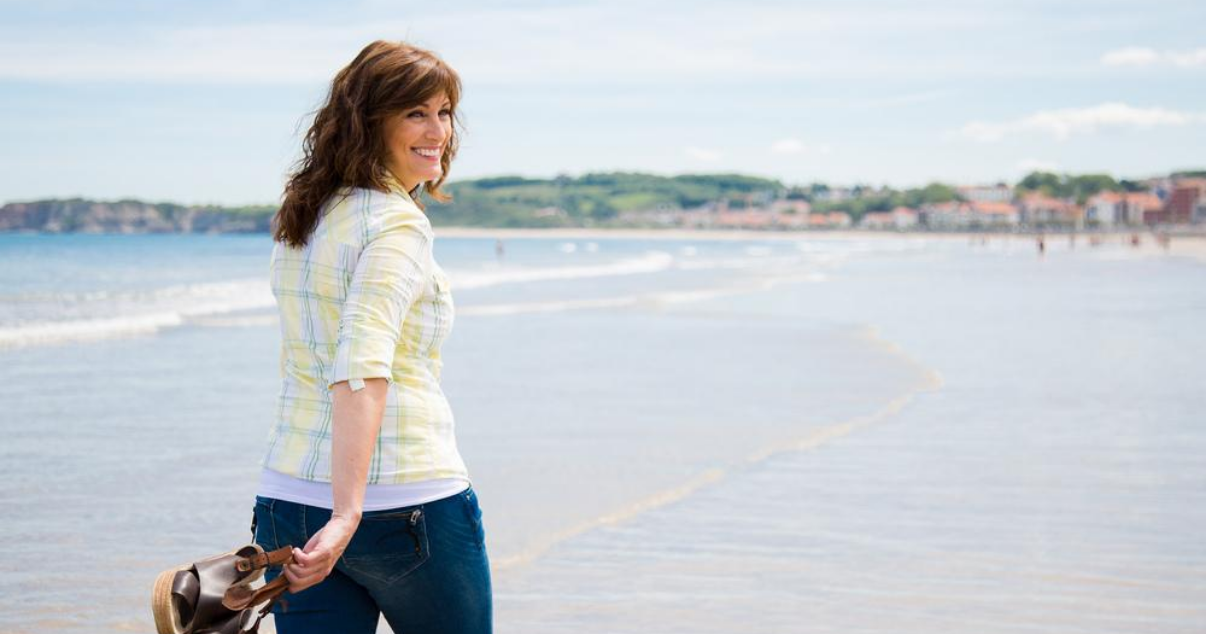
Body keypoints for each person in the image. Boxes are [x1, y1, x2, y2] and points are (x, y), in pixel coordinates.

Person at [251, 40, 491, 634]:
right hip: (402, 505)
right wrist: (347, 514)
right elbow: (361, 364)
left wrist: (331, 516)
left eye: (444, 112)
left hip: (287, 500)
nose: (438, 131)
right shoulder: (397, 223)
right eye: (416, 113)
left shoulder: (305, 212)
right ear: (368, 122)